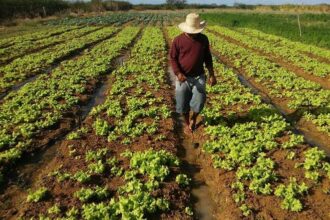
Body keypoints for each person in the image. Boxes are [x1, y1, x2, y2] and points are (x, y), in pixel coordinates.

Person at [170, 13, 216, 134]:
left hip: (199, 76)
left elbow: (208, 57)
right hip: (182, 77)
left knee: (200, 100)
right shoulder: (178, 40)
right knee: (182, 102)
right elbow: (173, 58)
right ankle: (186, 124)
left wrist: (212, 74)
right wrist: (178, 73)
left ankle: (194, 118)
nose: (194, 33)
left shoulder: (203, 39)